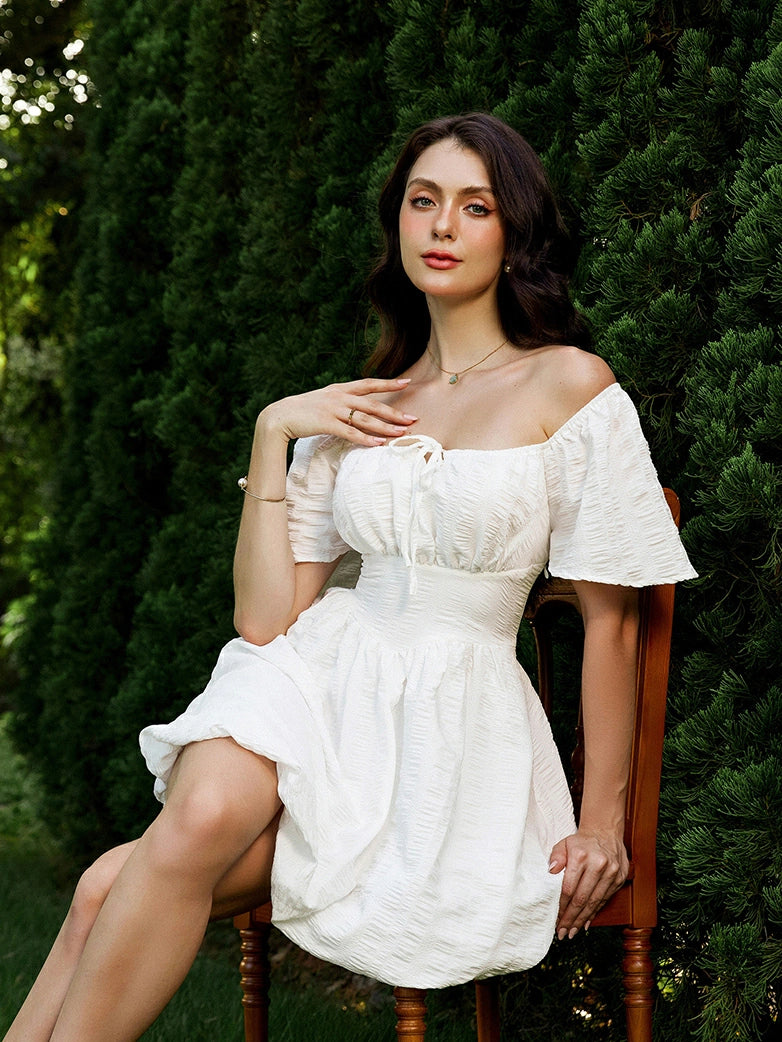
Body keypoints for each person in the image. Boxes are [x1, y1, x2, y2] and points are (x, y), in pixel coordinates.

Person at [4, 112, 696, 1042]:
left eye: (475, 206)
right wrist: (275, 432)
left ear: (514, 232)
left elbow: (614, 624)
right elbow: (265, 622)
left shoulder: (569, 385)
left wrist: (602, 821)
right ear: (397, 221)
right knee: (199, 810)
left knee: (103, 886)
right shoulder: (363, 407)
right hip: (318, 679)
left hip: (448, 717)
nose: (442, 226)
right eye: (423, 201)